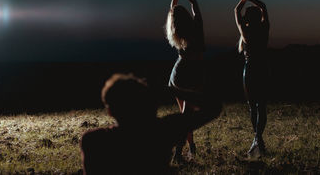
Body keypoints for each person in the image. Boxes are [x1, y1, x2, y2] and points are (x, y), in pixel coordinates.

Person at [80, 73, 221, 175]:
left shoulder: (93, 141)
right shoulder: (163, 131)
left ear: (110, 111)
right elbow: (213, 106)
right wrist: (171, 90)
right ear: (149, 104)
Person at [163, 0, 206, 161]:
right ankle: (179, 154)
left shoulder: (177, 32)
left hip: (177, 74)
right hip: (192, 75)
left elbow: (172, 9)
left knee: (184, 116)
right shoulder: (197, 26)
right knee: (185, 118)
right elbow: (194, 2)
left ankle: (191, 147)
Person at [234, 0, 270, 156]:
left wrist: (244, 0)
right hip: (262, 69)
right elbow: (264, 7)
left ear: (247, 19)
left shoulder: (245, 33)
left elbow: (235, 12)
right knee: (260, 106)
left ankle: (257, 139)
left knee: (253, 107)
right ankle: (257, 139)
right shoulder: (264, 29)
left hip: (249, 70)